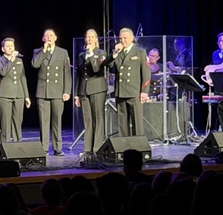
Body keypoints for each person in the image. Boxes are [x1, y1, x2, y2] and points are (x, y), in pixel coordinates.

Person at [31, 28, 72, 156]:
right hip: (42, 92)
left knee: (57, 121)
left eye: (51, 35)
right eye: (46, 36)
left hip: (58, 91)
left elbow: (67, 73)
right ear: (43, 39)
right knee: (43, 122)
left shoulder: (63, 52)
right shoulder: (38, 51)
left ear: (55, 38)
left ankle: (57, 148)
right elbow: (35, 64)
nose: (48, 38)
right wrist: (44, 51)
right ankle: (43, 148)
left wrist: (67, 91)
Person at [74, 28, 107, 157]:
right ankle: (88, 149)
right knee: (87, 120)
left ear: (96, 39)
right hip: (84, 90)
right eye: (87, 37)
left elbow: (96, 69)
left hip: (97, 89)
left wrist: (92, 54)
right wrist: (77, 94)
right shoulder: (81, 55)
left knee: (98, 118)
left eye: (92, 37)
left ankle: (97, 148)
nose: (89, 39)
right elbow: (79, 74)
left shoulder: (101, 53)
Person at [111, 27, 150, 138]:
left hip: (134, 91)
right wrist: (114, 53)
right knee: (122, 123)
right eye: (121, 38)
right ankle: (125, 146)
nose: (123, 40)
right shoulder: (118, 52)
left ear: (132, 38)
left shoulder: (140, 52)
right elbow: (108, 66)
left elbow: (146, 73)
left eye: (125, 38)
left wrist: (144, 91)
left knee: (137, 122)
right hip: (121, 91)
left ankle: (138, 147)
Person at [0, 37, 30, 143]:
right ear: (3, 49)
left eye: (12, 46)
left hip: (19, 94)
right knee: (5, 122)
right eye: (8, 46)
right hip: (4, 95)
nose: (10, 48)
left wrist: (26, 96)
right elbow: (2, 72)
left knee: (18, 121)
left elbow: (22, 78)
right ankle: (5, 146)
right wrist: (11, 60)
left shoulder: (19, 61)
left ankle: (17, 144)